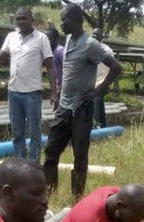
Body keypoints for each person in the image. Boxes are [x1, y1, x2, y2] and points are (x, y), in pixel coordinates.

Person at [43, 4, 122, 197]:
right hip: (64, 108)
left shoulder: (90, 45)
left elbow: (116, 67)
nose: (62, 24)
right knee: (51, 153)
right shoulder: (69, 39)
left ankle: (77, 200)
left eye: (65, 20)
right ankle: (49, 196)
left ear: (76, 20)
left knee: (80, 157)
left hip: (82, 109)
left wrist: (96, 92)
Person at [0, 7, 55, 164]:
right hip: (13, 92)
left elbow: (50, 64)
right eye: (18, 18)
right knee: (17, 132)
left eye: (24, 18)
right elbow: (0, 59)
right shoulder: (11, 37)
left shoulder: (41, 38)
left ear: (32, 20)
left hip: (32, 93)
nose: (21, 21)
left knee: (34, 133)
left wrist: (54, 92)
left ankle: (34, 165)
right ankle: (20, 164)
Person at [91, 28, 109, 129]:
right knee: (99, 107)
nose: (94, 36)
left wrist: (106, 84)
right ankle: (103, 127)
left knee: (96, 107)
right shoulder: (89, 49)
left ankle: (97, 128)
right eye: (93, 34)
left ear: (102, 37)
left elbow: (112, 69)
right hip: (89, 83)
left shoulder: (106, 50)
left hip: (100, 83)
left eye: (97, 34)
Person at [47, 24, 65, 101]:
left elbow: (67, 68)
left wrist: (61, 88)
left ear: (56, 38)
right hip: (59, 88)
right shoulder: (53, 52)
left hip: (64, 89)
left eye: (49, 39)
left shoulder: (60, 51)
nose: (47, 41)